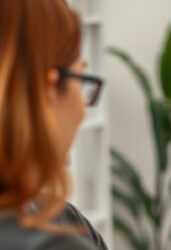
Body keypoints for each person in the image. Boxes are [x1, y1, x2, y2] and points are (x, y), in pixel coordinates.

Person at [0, 0, 108, 249]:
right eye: (80, 79)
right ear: (48, 88)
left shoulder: (65, 220)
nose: (83, 107)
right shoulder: (54, 241)